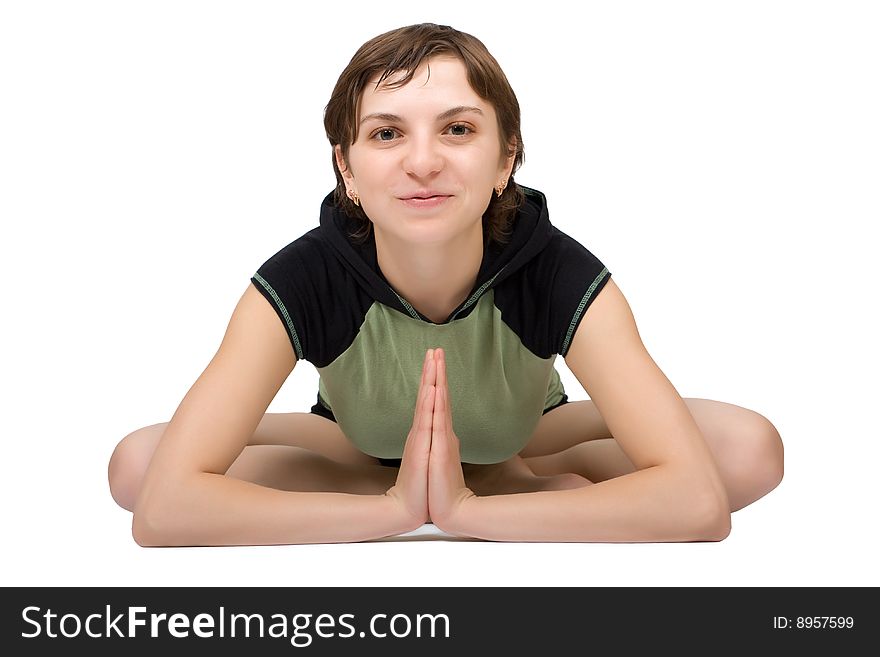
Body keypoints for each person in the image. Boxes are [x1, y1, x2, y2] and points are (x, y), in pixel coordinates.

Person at [108, 23, 784, 546]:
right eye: (387, 133)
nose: (423, 161)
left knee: (748, 450)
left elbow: (699, 503)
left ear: (505, 158)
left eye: (457, 129)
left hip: (526, 434)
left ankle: (507, 479)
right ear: (346, 168)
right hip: (359, 449)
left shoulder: (558, 270)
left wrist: (465, 512)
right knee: (140, 465)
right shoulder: (302, 277)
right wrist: (393, 510)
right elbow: (163, 508)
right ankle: (484, 487)